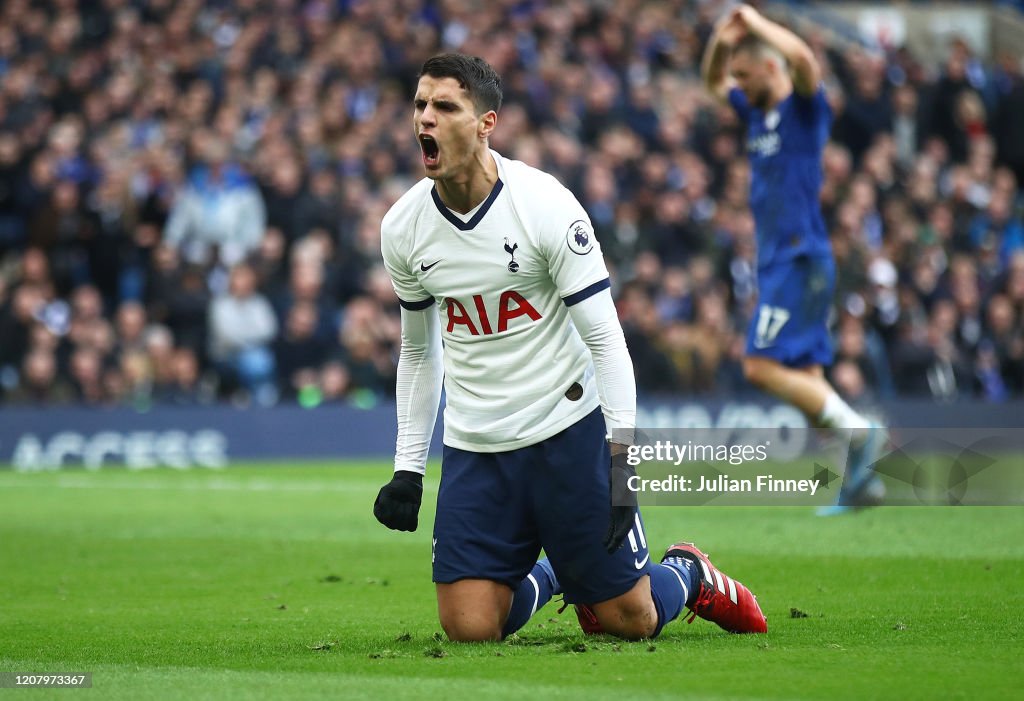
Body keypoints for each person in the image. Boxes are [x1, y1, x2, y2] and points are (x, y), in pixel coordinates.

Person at [373, 53, 766, 642]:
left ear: (486, 123)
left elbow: (606, 340)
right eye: (420, 106)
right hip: (478, 446)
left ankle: (689, 572)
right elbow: (420, 354)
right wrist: (408, 469)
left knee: (630, 622)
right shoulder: (403, 228)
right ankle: (557, 571)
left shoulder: (545, 205)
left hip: (567, 432)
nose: (425, 119)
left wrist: (621, 464)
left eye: (444, 107)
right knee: (470, 630)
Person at [701, 5, 886, 513]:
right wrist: (725, 34)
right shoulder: (757, 114)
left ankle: (863, 431)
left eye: (746, 73)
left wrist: (754, 21)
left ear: (770, 67)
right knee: (807, 379)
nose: (737, 82)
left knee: (759, 365)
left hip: (800, 256)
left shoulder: (804, 111)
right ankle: (861, 484)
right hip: (784, 261)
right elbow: (712, 79)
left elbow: (804, 56)